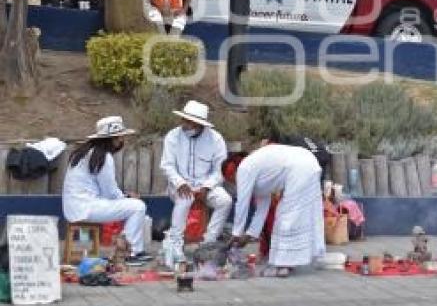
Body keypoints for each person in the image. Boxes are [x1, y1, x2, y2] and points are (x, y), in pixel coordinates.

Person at [62, 116, 153, 266]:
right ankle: (131, 252)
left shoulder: (84, 152)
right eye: (120, 138)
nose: (122, 141)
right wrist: (128, 198)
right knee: (138, 207)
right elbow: (110, 193)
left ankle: (124, 247)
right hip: (87, 207)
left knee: (131, 204)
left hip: (76, 207)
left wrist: (124, 197)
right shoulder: (103, 156)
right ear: (113, 139)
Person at [231, 136, 326, 278]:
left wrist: (236, 234)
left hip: (301, 167)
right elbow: (262, 207)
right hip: (306, 163)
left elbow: (242, 204)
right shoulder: (258, 173)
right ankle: (286, 261)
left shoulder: (244, 170)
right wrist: (250, 234)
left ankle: (284, 264)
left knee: (288, 215)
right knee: (295, 214)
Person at [160, 100, 231, 255]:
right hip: (179, 185)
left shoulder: (216, 139)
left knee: (225, 201)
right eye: (184, 120)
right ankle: (175, 244)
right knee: (185, 199)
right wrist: (180, 183)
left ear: (199, 124)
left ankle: (208, 242)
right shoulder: (172, 136)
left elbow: (220, 170)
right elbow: (167, 165)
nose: (184, 124)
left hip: (206, 185)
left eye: (189, 122)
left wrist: (207, 186)